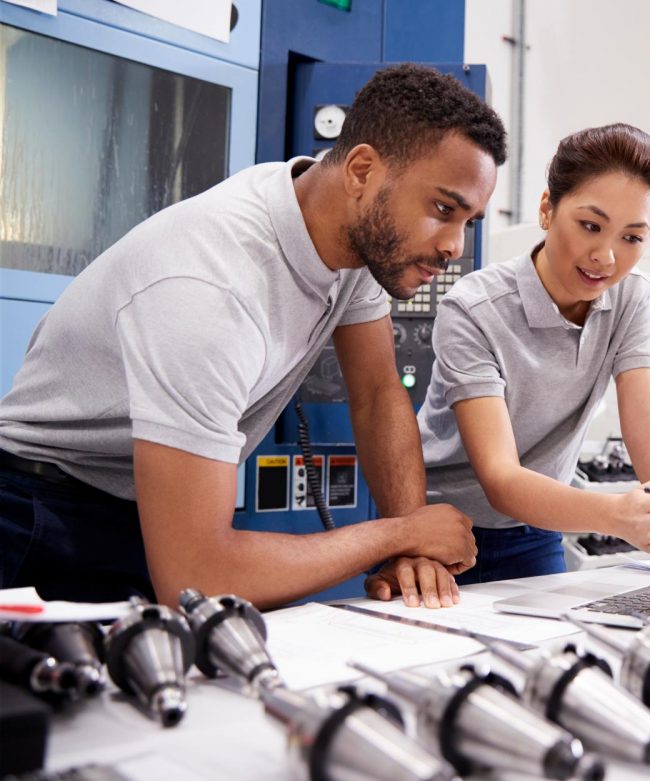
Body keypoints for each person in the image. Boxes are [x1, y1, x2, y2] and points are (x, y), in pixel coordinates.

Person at [0, 65, 505, 609]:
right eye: (442, 209)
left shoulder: (349, 237)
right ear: (362, 170)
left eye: (469, 221)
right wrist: (399, 535)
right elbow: (197, 577)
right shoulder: (209, 287)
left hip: (137, 510)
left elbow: (378, 392)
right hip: (38, 518)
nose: (454, 245)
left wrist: (414, 548)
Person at [367, 124, 650, 598]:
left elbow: (647, 418)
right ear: (547, 209)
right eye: (590, 226)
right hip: (444, 534)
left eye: (632, 237)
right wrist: (615, 515)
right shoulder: (474, 308)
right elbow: (500, 477)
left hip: (539, 530)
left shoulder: (630, 299)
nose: (605, 256)